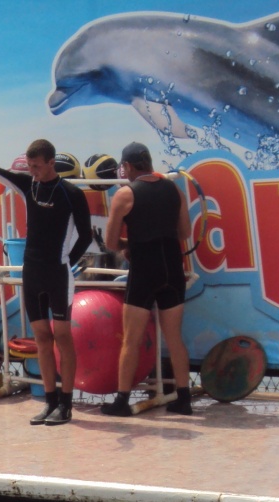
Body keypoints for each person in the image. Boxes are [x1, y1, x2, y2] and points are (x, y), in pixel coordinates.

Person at [0, 135, 92, 425]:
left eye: (37, 166)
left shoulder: (70, 193)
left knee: (62, 337)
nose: (32, 171)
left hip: (58, 274)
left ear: (51, 162)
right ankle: (50, 401)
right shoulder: (28, 185)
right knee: (42, 338)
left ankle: (66, 404)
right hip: (32, 273)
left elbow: (85, 235)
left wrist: (67, 262)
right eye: (29, 166)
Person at [100, 142, 193, 417]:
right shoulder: (174, 190)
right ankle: (184, 399)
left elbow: (110, 242)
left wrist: (129, 243)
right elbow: (184, 233)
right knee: (175, 338)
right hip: (172, 269)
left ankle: (122, 401)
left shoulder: (125, 194)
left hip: (144, 271)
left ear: (127, 166)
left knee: (132, 340)